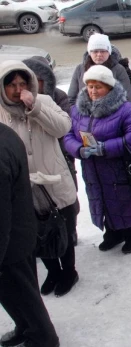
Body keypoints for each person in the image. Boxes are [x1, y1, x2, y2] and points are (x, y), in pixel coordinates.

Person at [0, 61, 79, 299]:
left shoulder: (43, 101)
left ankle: (69, 272)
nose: (17, 89)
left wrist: (35, 108)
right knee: (38, 233)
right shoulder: (1, 113)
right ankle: (52, 272)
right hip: (25, 187)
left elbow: (63, 127)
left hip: (54, 179)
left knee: (62, 228)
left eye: (22, 83)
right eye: (12, 84)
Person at [64, 65, 131, 254]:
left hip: (120, 167)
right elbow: (68, 136)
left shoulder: (124, 108)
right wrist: (78, 149)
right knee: (104, 201)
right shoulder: (78, 110)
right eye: (90, 86)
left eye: (98, 87)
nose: (93, 91)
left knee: (126, 202)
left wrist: (106, 148)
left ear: (110, 88)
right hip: (93, 170)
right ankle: (113, 233)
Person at [0, 122, 60, 347]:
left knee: (24, 296)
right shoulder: (5, 132)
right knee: (12, 293)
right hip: (19, 233)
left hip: (10, 243)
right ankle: (25, 327)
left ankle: (42, 338)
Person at [23, 56, 81, 245]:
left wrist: (37, 107)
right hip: (34, 168)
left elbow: (63, 129)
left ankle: (70, 233)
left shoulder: (57, 97)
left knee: (68, 201)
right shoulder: (14, 105)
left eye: (39, 81)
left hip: (61, 158)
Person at [67, 34, 131, 105]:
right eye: (95, 51)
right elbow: (71, 99)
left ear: (109, 52)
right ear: (89, 52)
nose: (99, 54)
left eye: (103, 51)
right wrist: (79, 114)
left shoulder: (119, 69)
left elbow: (126, 98)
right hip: (84, 114)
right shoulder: (80, 69)